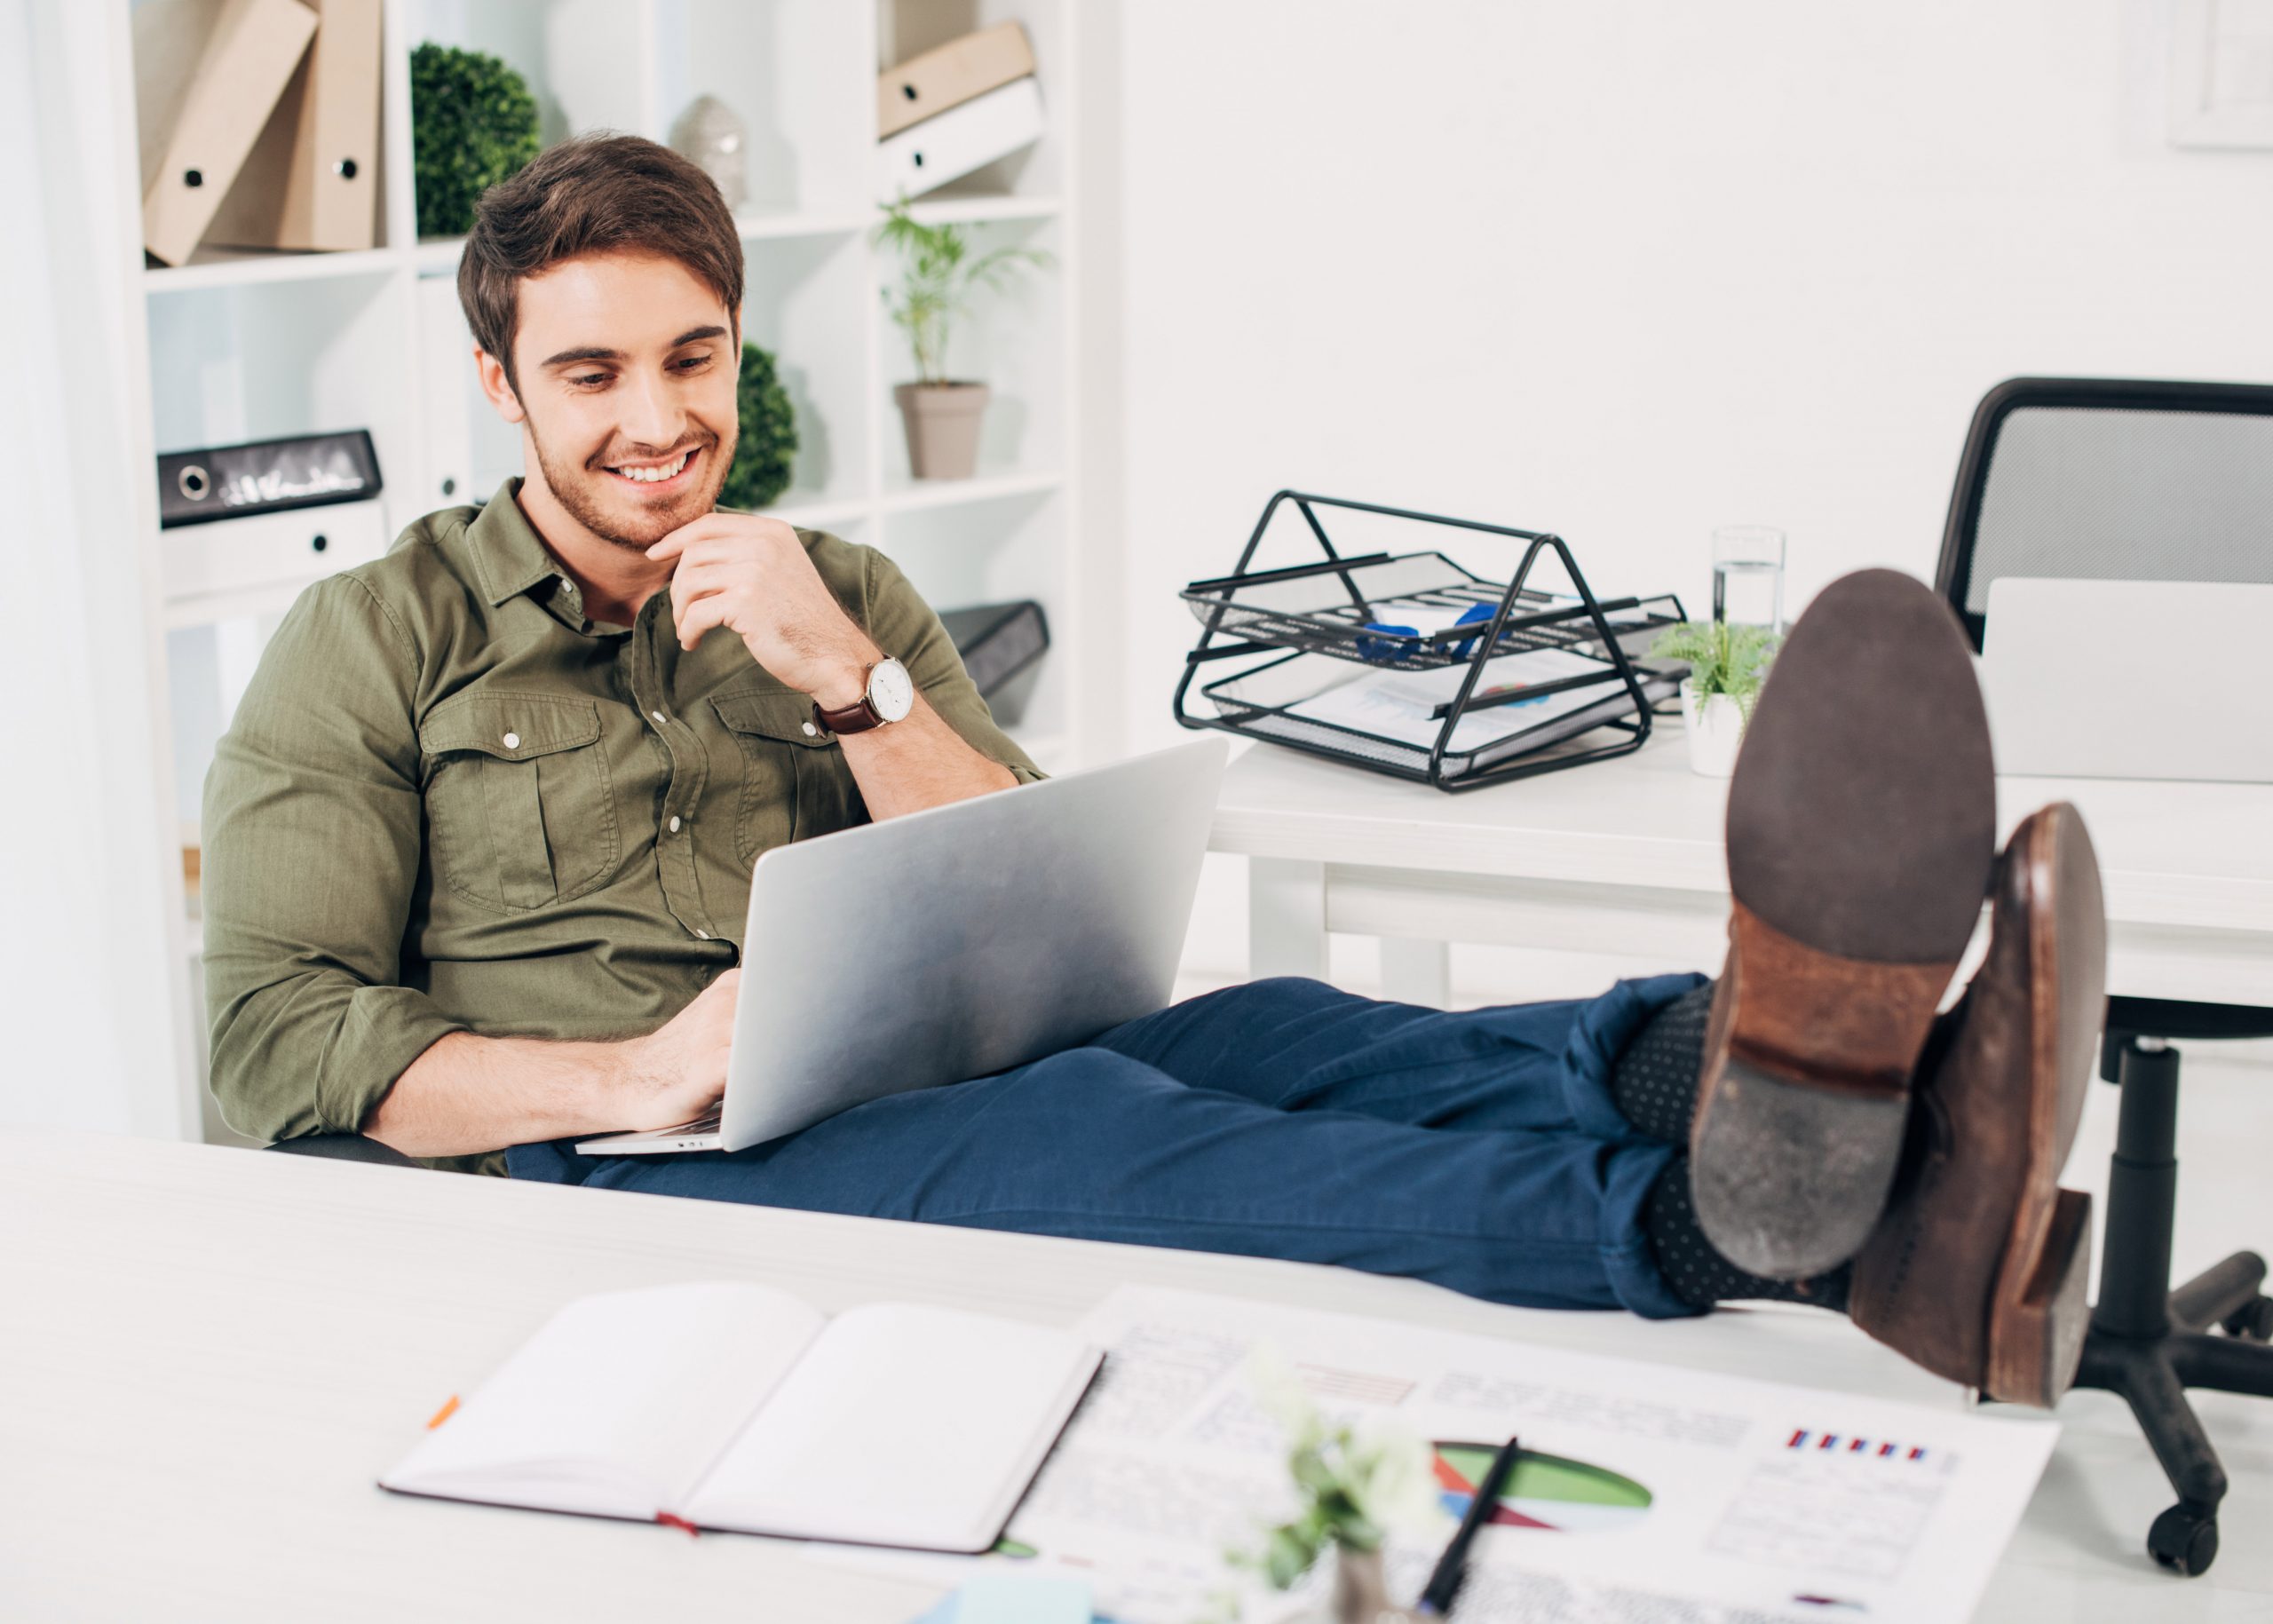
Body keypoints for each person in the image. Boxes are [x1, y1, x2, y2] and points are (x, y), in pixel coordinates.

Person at [202, 135, 2105, 1410]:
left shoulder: (831, 586)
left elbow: (1009, 892)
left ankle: (1835, 1081)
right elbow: (272, 1048)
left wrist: (845, 681)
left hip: (915, 1045)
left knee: (1317, 1035)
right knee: (1167, 1153)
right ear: (499, 384)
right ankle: (1742, 1231)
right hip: (645, 1157)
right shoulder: (375, 639)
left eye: (690, 361)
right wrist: (639, 1069)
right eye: (594, 373)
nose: (656, 421)